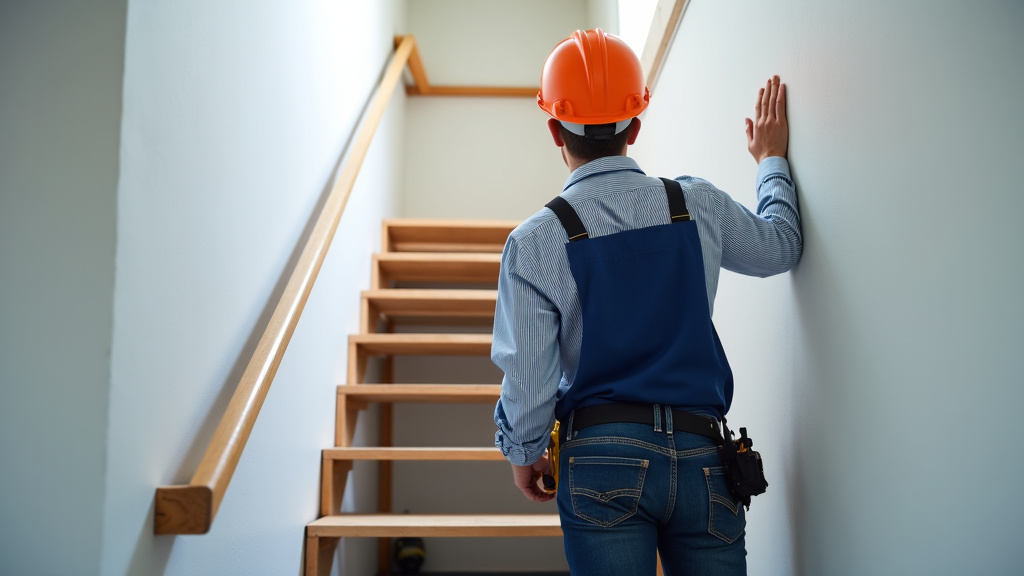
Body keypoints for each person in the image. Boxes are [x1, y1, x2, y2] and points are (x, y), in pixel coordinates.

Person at [491, 28, 801, 576]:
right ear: (635, 125)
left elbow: (529, 380)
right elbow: (781, 246)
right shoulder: (696, 203)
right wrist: (771, 160)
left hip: (600, 459)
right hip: (704, 455)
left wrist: (524, 452)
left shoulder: (535, 242)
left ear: (553, 129)